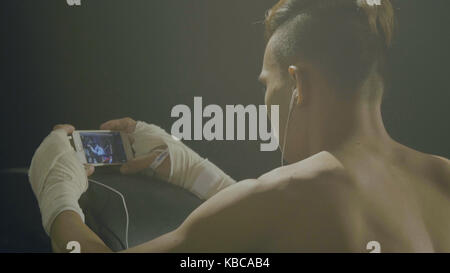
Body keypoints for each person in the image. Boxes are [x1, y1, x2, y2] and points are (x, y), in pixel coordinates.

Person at [29, 0, 450, 253]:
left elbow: (284, 205)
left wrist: (58, 187)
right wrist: (190, 168)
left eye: (268, 86)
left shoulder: (288, 193)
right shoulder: (442, 176)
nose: (264, 101)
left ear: (298, 83)